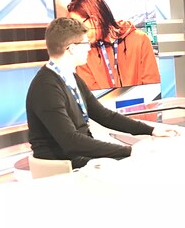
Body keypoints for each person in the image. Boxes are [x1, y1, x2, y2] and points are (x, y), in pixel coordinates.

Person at [26, 17, 176, 169]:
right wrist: (129, 151)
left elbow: (104, 116)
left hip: (79, 157)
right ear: (71, 48)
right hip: (64, 164)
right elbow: (71, 142)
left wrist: (151, 130)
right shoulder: (46, 87)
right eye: (86, 43)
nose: (89, 48)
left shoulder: (71, 78)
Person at [67, 0, 160, 90]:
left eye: (78, 26)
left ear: (95, 20)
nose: (76, 33)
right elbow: (90, 93)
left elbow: (152, 86)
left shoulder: (140, 40)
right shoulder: (83, 52)